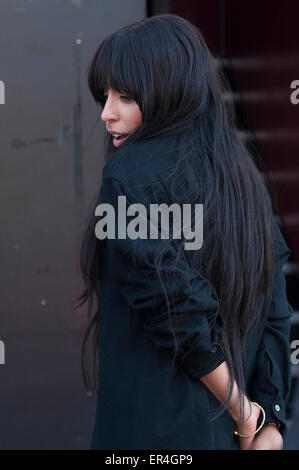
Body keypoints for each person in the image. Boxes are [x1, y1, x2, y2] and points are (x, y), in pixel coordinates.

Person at [77, 14, 294, 450]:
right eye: (105, 96)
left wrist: (245, 411)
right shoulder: (243, 180)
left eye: (125, 97)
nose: (106, 113)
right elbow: (276, 311)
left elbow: (176, 309)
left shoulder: (127, 176)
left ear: (167, 95)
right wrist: (270, 419)